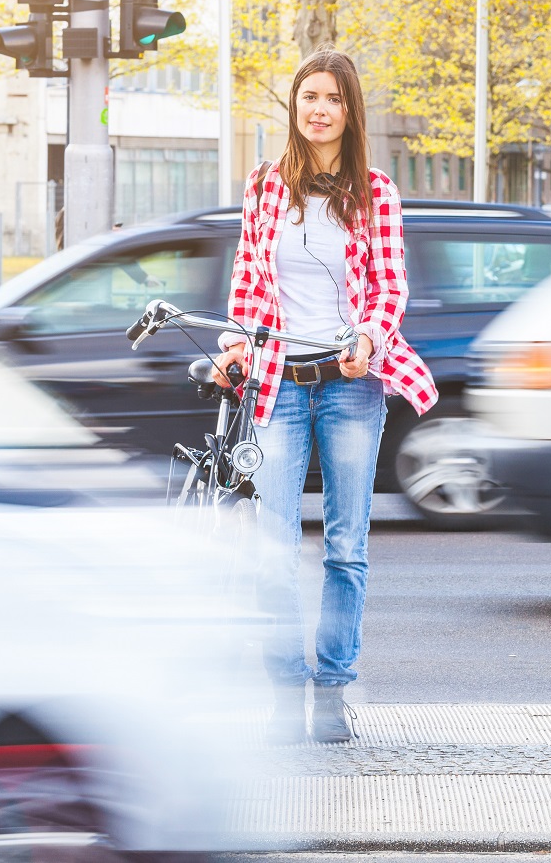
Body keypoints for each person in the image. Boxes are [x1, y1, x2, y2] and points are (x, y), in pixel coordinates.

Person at [210, 48, 438, 744]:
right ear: (294, 106)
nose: (318, 109)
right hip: (278, 384)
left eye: (332, 99)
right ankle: (284, 691)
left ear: (349, 111)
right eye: (308, 96)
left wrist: (368, 337)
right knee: (273, 546)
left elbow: (390, 286)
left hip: (348, 387)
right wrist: (236, 344)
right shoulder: (263, 186)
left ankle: (332, 689)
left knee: (345, 547)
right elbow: (249, 281)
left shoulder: (374, 191)